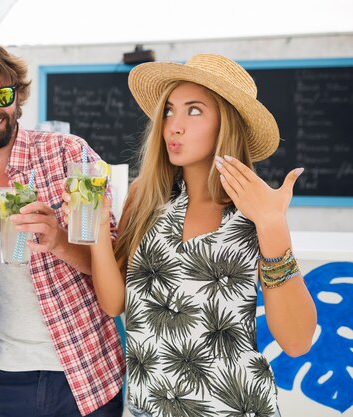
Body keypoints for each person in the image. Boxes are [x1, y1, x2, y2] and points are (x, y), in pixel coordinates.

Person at [61, 54, 317, 417]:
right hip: (148, 407)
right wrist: (100, 233)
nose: (173, 126)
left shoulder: (255, 209)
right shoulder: (145, 198)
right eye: (169, 110)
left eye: (194, 111)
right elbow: (116, 304)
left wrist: (273, 226)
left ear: (225, 124)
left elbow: (297, 341)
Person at [0, 42, 125, 417]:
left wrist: (58, 242)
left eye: (2, 95)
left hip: (83, 369)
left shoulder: (70, 154)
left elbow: (114, 266)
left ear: (18, 96)